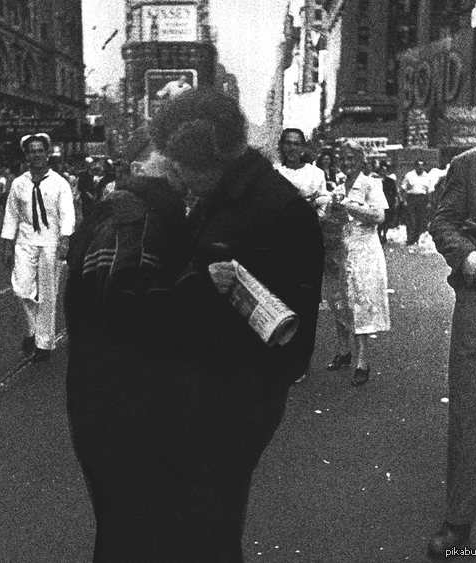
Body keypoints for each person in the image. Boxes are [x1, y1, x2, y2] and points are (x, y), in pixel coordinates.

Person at [65, 88, 324, 562]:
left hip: (222, 414)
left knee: (207, 535)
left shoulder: (277, 211)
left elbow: (289, 341)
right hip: (187, 408)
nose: (178, 177)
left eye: (182, 165)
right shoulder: (219, 199)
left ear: (209, 157)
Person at [427, 133, 476, 558]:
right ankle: (458, 523)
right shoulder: (472, 164)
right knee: (471, 408)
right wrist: (466, 254)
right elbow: (442, 222)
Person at [1, 133, 75, 363]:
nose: (37, 154)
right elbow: (11, 214)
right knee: (22, 288)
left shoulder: (59, 183)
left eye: (40, 150)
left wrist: (65, 240)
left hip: (51, 242)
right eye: (32, 151)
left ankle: (44, 343)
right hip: (25, 241)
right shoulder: (18, 183)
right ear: (26, 155)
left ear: (47, 153)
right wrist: (7, 244)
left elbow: (67, 213)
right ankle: (34, 330)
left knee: (48, 294)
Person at [323, 140, 391, 386]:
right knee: (340, 301)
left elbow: (379, 216)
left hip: (365, 251)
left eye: (352, 158)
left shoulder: (371, 184)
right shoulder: (339, 187)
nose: (347, 163)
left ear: (361, 160)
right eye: (343, 158)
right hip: (341, 249)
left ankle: (362, 361)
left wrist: (350, 206)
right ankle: (344, 350)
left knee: (362, 302)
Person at [275, 128, 331, 219]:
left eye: (296, 144)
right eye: (288, 143)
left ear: (303, 147)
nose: (292, 148)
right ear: (281, 146)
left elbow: (324, 202)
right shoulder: (274, 172)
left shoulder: (315, 173)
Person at [400, 159, 433, 246]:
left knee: (420, 219)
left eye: (422, 165)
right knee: (411, 219)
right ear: (415, 166)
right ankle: (410, 238)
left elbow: (429, 191)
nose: (420, 167)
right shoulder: (409, 175)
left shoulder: (427, 177)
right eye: (419, 165)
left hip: (422, 199)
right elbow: (403, 189)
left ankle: (416, 238)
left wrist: (429, 202)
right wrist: (404, 201)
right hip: (411, 198)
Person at [377, 160, 399, 245]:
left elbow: (394, 192)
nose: (383, 172)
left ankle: (384, 235)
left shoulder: (390, 181)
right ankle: (379, 234)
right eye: (382, 170)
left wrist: (395, 201)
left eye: (385, 171)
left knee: (386, 220)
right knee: (379, 220)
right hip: (378, 202)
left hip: (388, 202)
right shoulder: (376, 180)